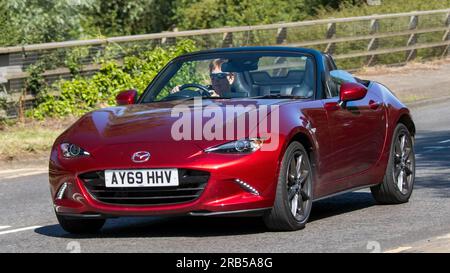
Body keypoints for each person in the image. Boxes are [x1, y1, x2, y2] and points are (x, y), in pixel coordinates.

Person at [170, 58, 235, 97]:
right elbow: (190, 105)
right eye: (212, 76)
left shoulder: (240, 98)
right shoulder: (203, 93)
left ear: (231, 78)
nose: (215, 80)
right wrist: (177, 93)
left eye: (220, 76)